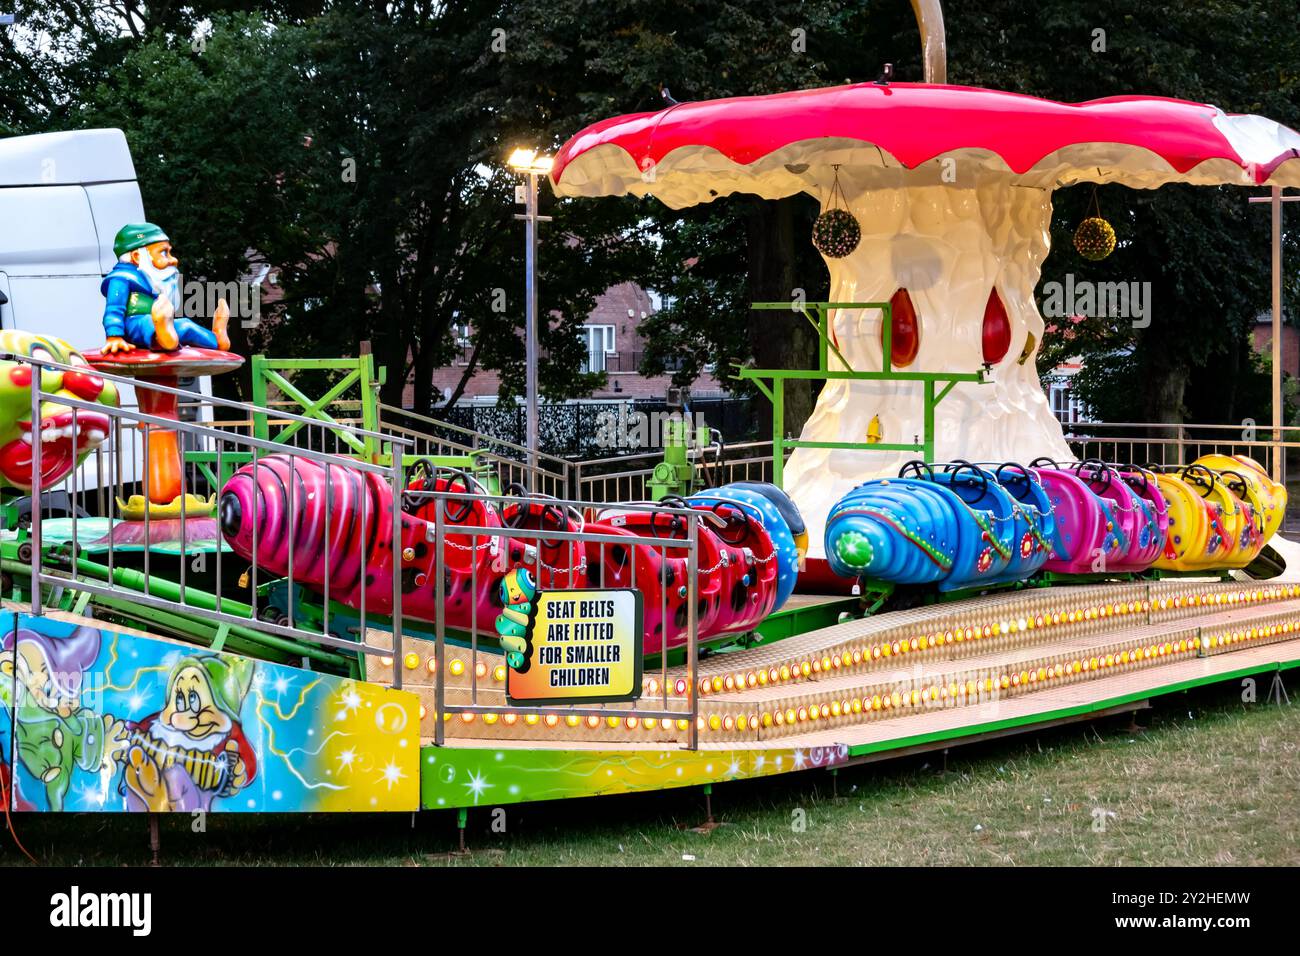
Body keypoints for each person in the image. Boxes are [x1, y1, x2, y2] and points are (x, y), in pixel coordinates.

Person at [100, 222, 230, 354]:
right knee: (147, 323)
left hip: (156, 323)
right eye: (164, 253)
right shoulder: (121, 279)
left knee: (186, 325)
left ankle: (217, 339)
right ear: (137, 256)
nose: (173, 260)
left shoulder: (151, 280)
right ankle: (161, 336)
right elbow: (114, 308)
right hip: (135, 324)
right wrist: (114, 335)